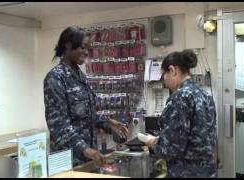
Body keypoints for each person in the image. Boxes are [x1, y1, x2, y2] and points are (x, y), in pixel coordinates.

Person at [43, 26, 128, 167]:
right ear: (68, 45)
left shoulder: (81, 77)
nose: (86, 52)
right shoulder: (55, 79)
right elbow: (58, 125)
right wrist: (85, 149)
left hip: (86, 159)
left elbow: (86, 115)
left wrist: (107, 123)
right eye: (83, 47)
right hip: (67, 161)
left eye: (88, 48)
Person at [143, 49, 217, 178]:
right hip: (207, 171)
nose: (164, 81)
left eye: (163, 75)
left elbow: (170, 149)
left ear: (172, 70)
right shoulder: (205, 94)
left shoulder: (180, 97)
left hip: (185, 172)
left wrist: (153, 142)